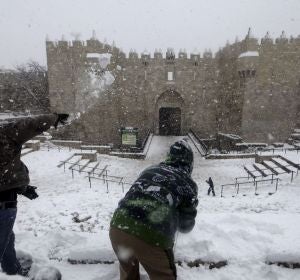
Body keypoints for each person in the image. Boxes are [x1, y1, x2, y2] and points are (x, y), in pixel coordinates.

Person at [110, 139, 198, 280]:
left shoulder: (149, 169)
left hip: (119, 226)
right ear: (189, 162)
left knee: (129, 275)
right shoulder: (188, 183)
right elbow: (186, 225)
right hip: (152, 234)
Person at [0, 113, 69, 276]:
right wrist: (54, 118)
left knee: (6, 236)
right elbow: (29, 124)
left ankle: (11, 268)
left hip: (6, 198)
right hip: (4, 203)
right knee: (3, 238)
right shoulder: (5, 132)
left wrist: (22, 188)